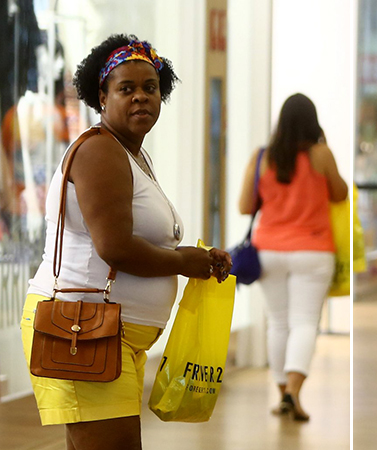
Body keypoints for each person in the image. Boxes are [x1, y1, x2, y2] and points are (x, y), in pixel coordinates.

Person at [19, 35, 232, 450]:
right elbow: (115, 247)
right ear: (102, 96)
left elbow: (137, 236)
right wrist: (183, 262)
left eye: (149, 88)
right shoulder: (100, 151)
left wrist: (197, 258)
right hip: (81, 330)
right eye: (126, 88)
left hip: (105, 333)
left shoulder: (132, 154)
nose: (140, 98)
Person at [238, 93, 348, 421]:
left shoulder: (263, 157)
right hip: (313, 251)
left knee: (279, 323)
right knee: (304, 323)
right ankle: (295, 394)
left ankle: (283, 393)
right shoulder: (321, 154)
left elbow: (245, 206)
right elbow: (340, 194)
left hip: (269, 250)